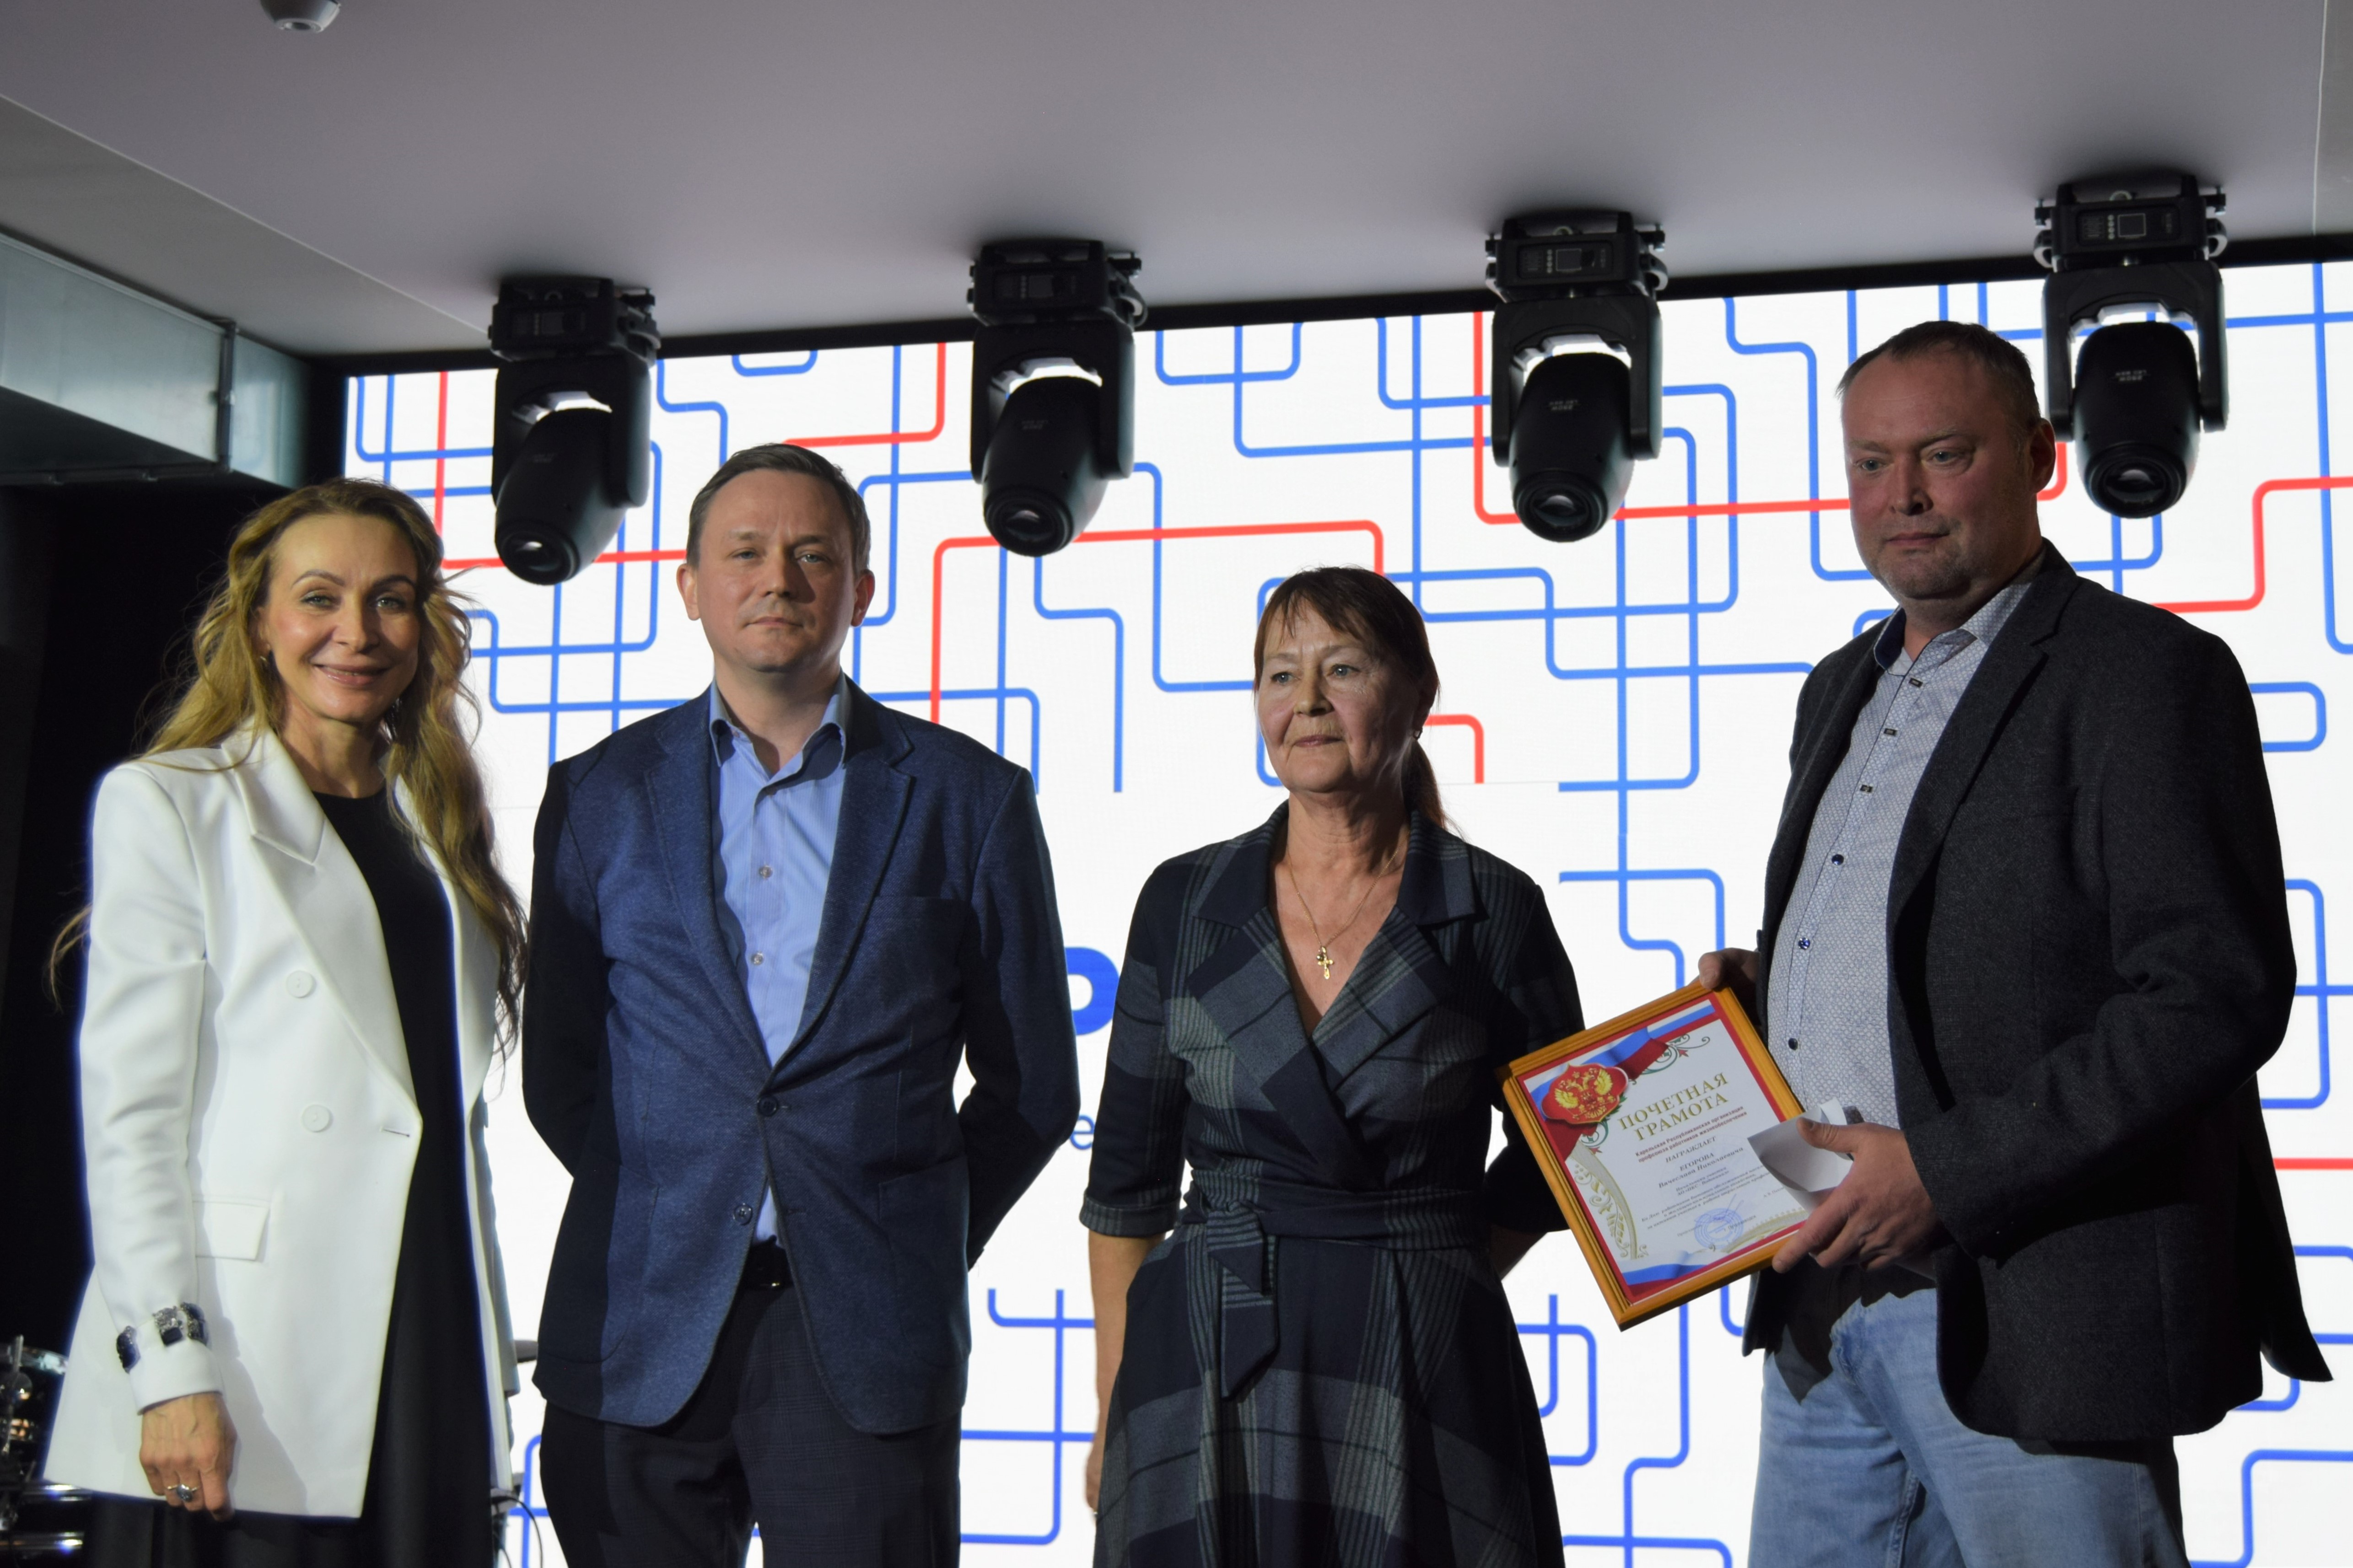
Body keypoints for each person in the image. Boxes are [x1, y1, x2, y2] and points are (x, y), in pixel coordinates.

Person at [1696, 321, 2331, 1567]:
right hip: (1822, 1297)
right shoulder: (1837, 686)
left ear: (2039, 455)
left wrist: (1945, 1172)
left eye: (1943, 455)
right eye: (1871, 463)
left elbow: (2210, 993)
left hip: (2038, 1305)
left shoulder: (2145, 673)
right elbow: (1941, 942)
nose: (1903, 496)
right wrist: (1764, 994)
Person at [525, 442, 1082, 1566]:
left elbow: (1030, 1087)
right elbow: (562, 1070)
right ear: (689, 586)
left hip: (867, 1339)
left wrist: (903, 1234)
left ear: (861, 589)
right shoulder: (595, 794)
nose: (776, 579)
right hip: (637, 1327)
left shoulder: (969, 797)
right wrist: (677, 1206)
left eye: (812, 555)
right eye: (744, 553)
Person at [42, 478, 527, 1565]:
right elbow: (133, 1122)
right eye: (319, 597)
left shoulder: (438, 826)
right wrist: (168, 1367)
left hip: (426, 1324)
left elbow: (444, 1120)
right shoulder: (175, 802)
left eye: (390, 599)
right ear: (260, 623)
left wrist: (487, 1357)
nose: (357, 631)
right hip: (249, 1350)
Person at [1082, 566, 1582, 1568]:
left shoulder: (1493, 908)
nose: (1305, 701)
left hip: (1420, 1357)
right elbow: (1127, 1185)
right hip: (1204, 1355)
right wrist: (1114, 1406)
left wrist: (1432, 1262)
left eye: (1342, 669)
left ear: (1416, 694)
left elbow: (1560, 1144)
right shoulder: (1184, 901)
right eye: (1280, 674)